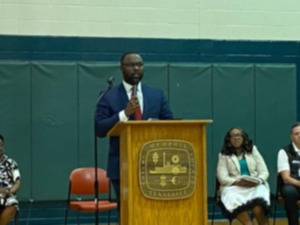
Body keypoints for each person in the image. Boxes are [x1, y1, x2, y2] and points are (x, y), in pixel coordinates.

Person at [95, 52, 173, 215]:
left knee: (152, 211)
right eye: (131, 65)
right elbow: (100, 129)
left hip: (154, 164)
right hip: (123, 165)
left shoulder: (156, 94)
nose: (136, 68)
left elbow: (170, 124)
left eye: (140, 65)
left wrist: (160, 125)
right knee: (128, 211)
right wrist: (124, 113)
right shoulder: (108, 96)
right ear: (121, 68)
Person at [216, 127, 270, 225]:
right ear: (228, 140)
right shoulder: (223, 154)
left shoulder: (253, 150)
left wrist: (258, 180)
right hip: (234, 187)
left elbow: (264, 171)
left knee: (258, 207)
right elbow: (222, 178)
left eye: (238, 135)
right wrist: (237, 182)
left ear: (243, 137)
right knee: (234, 200)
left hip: (254, 185)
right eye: (232, 136)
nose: (236, 138)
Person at [277, 122, 300, 225]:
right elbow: (286, 178)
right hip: (293, 185)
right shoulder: (284, 152)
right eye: (296, 133)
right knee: (289, 192)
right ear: (291, 136)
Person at [0, 134, 21, 225]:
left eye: (1, 145)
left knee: (12, 206)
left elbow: (17, 182)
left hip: (8, 196)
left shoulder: (11, 163)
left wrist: (9, 191)